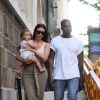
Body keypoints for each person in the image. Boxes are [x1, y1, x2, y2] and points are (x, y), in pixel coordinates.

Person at [49, 19, 84, 100]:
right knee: (58, 97)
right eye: (65, 26)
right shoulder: (55, 41)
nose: (68, 28)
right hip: (59, 74)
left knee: (72, 96)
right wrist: (50, 75)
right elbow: (50, 59)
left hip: (73, 74)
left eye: (69, 26)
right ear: (62, 28)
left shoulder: (78, 42)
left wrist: (81, 79)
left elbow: (81, 62)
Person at [16, 24, 50, 100]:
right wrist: (24, 60)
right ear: (35, 32)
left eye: (42, 33)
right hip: (27, 71)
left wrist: (31, 50)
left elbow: (44, 58)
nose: (40, 34)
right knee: (29, 96)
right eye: (38, 32)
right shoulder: (27, 42)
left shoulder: (46, 45)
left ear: (45, 34)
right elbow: (17, 55)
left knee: (39, 97)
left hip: (41, 72)